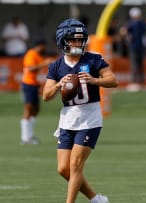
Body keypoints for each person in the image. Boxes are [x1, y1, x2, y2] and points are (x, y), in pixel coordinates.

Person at [42, 19, 117, 203]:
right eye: (73, 40)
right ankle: (96, 199)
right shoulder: (56, 66)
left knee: (75, 166)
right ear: (63, 41)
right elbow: (46, 95)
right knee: (63, 169)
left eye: (80, 40)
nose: (77, 43)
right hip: (68, 118)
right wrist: (59, 84)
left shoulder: (93, 59)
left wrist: (94, 80)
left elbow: (113, 80)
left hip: (89, 118)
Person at [20, 38, 53, 144]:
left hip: (34, 84)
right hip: (28, 84)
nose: (45, 48)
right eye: (43, 46)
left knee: (36, 109)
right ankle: (25, 138)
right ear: (39, 45)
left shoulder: (38, 56)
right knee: (28, 108)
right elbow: (30, 69)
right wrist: (44, 64)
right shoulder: (31, 54)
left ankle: (30, 135)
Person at [124, 7, 146, 92]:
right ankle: (139, 82)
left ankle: (136, 82)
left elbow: (124, 31)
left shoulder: (132, 24)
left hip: (135, 47)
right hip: (137, 47)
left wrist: (127, 38)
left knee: (136, 65)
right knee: (138, 65)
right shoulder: (140, 24)